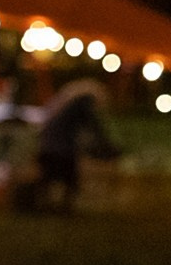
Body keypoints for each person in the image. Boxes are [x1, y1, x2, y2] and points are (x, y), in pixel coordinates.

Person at [31, 79, 120, 211]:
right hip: (61, 148)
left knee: (49, 177)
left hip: (49, 145)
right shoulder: (83, 102)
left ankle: (46, 204)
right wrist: (105, 144)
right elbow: (92, 125)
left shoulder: (65, 104)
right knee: (68, 178)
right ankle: (61, 206)